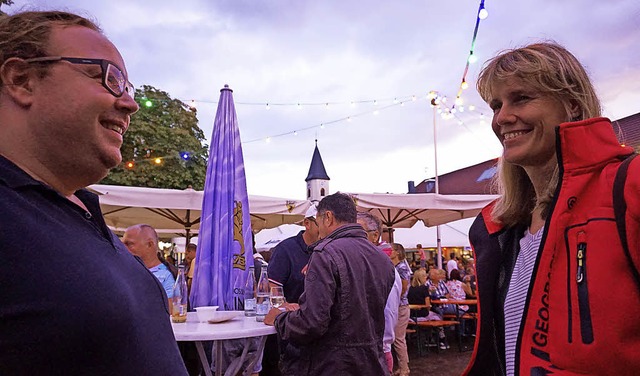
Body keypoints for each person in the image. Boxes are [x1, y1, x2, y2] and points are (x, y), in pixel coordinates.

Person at [0, 10, 187, 374]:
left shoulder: (84, 215)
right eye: (108, 78)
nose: (130, 104)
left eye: (127, 87)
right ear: (22, 79)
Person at [465, 42, 640, 375]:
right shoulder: (500, 228)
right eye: (496, 105)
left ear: (572, 104)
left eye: (521, 98)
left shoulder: (629, 189)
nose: (502, 117)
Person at [264, 193, 395, 375]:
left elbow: (312, 323)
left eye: (318, 221)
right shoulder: (383, 258)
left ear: (328, 217)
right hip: (372, 363)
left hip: (331, 364)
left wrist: (279, 319)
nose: (318, 230)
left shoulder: (325, 253)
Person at [265, 204, 320, 375]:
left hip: (318, 329)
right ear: (307, 224)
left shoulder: (327, 249)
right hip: (291, 332)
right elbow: (272, 288)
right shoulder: (286, 249)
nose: (325, 228)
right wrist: (286, 305)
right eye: (319, 223)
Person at [357, 212, 402, 374]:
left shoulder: (384, 269)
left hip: (377, 350)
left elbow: (388, 313)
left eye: (357, 232)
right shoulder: (366, 264)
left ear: (375, 235)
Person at [123, 224, 176, 298]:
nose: (123, 248)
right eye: (122, 244)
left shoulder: (166, 277)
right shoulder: (126, 270)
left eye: (129, 244)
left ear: (149, 245)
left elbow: (172, 307)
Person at [389, 243, 411, 376]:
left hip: (400, 306)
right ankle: (402, 366)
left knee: (398, 338)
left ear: (397, 252)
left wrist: (395, 299)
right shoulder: (397, 267)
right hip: (398, 306)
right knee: (397, 338)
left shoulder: (401, 267)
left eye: (390, 250)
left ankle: (404, 368)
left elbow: (403, 287)